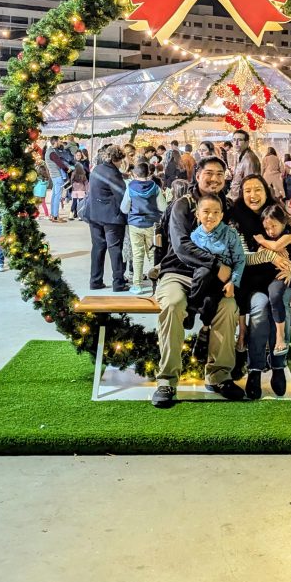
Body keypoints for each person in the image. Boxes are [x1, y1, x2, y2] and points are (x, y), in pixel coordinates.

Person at [152, 156, 244, 408]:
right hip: (178, 273)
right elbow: (182, 246)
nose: (214, 179)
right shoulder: (183, 205)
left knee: (227, 308)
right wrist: (217, 265)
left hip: (215, 280)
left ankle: (219, 376)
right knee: (172, 304)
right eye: (209, 173)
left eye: (219, 174)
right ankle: (167, 380)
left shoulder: (229, 206)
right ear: (198, 175)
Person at [231, 175, 291, 398]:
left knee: (281, 306)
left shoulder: (275, 212)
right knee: (260, 310)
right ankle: (255, 369)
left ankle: (278, 366)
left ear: (266, 191)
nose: (253, 195)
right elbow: (242, 257)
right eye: (248, 190)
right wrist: (270, 255)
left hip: (280, 279)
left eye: (258, 189)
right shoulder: (237, 218)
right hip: (252, 282)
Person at [187, 193, 246, 360]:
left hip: (222, 282)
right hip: (203, 280)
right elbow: (191, 263)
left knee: (211, 302)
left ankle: (205, 330)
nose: (210, 216)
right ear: (197, 214)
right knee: (204, 273)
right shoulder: (193, 237)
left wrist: (233, 282)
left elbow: (240, 260)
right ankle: (191, 309)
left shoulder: (230, 234)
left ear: (221, 215)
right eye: (206, 211)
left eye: (215, 212)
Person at [250, 203, 291, 354]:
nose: (270, 231)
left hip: (281, 274)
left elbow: (277, 246)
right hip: (266, 275)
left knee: (275, 295)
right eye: (267, 228)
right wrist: (266, 248)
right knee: (258, 301)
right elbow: (259, 253)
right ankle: (259, 344)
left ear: (283, 222)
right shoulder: (268, 234)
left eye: (274, 226)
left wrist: (262, 241)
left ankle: (280, 335)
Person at [86, 144, 128, 292]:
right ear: (118, 159)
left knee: (98, 247)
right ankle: (118, 282)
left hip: (94, 214)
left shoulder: (96, 169)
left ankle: (95, 281)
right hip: (111, 217)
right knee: (115, 248)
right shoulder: (113, 173)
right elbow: (122, 195)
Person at [121, 161, 166, 293]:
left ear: (135, 174)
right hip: (152, 225)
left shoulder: (130, 187)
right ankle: (158, 284)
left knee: (137, 255)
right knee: (153, 255)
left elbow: (124, 208)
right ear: (149, 173)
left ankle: (137, 285)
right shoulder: (155, 187)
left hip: (135, 224)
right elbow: (163, 207)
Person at [45, 136, 72, 222]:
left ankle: (53, 215)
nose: (60, 143)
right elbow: (60, 163)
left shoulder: (48, 151)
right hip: (57, 176)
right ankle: (55, 216)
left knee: (54, 196)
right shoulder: (52, 153)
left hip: (53, 176)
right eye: (59, 141)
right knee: (57, 196)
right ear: (55, 142)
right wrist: (67, 169)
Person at [229, 129, 261, 200]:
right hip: (236, 197)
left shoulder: (249, 159)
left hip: (242, 200)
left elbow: (250, 185)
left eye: (239, 140)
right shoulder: (240, 155)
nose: (236, 143)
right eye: (234, 140)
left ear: (247, 143)